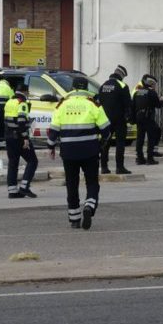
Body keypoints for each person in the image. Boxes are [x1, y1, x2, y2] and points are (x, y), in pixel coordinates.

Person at [47, 76, 111, 230]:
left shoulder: (62, 104)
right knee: (92, 182)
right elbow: (106, 129)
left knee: (72, 184)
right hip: (90, 150)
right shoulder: (93, 104)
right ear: (86, 88)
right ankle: (89, 205)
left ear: (73, 88)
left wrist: (51, 146)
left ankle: (75, 219)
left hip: (68, 152)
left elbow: (54, 129)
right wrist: (102, 142)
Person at [3, 86, 38, 199]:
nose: (28, 94)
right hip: (19, 138)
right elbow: (21, 122)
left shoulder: (9, 102)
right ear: (24, 92)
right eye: (27, 92)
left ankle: (12, 191)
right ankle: (24, 187)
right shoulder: (21, 103)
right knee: (32, 161)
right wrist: (26, 138)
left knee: (13, 163)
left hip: (9, 136)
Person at [97, 64, 131, 175]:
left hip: (105, 119)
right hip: (119, 119)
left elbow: (99, 102)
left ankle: (104, 166)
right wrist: (129, 117)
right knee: (120, 143)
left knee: (105, 142)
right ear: (121, 75)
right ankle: (119, 167)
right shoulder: (122, 85)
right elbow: (128, 104)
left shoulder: (103, 85)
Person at [131, 74, 163, 165]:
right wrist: (161, 100)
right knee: (151, 138)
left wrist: (133, 119)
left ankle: (140, 158)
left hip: (139, 118)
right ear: (151, 83)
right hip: (148, 118)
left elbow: (133, 106)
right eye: (154, 84)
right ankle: (150, 159)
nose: (154, 86)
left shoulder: (137, 92)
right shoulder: (151, 92)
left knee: (140, 139)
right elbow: (158, 105)